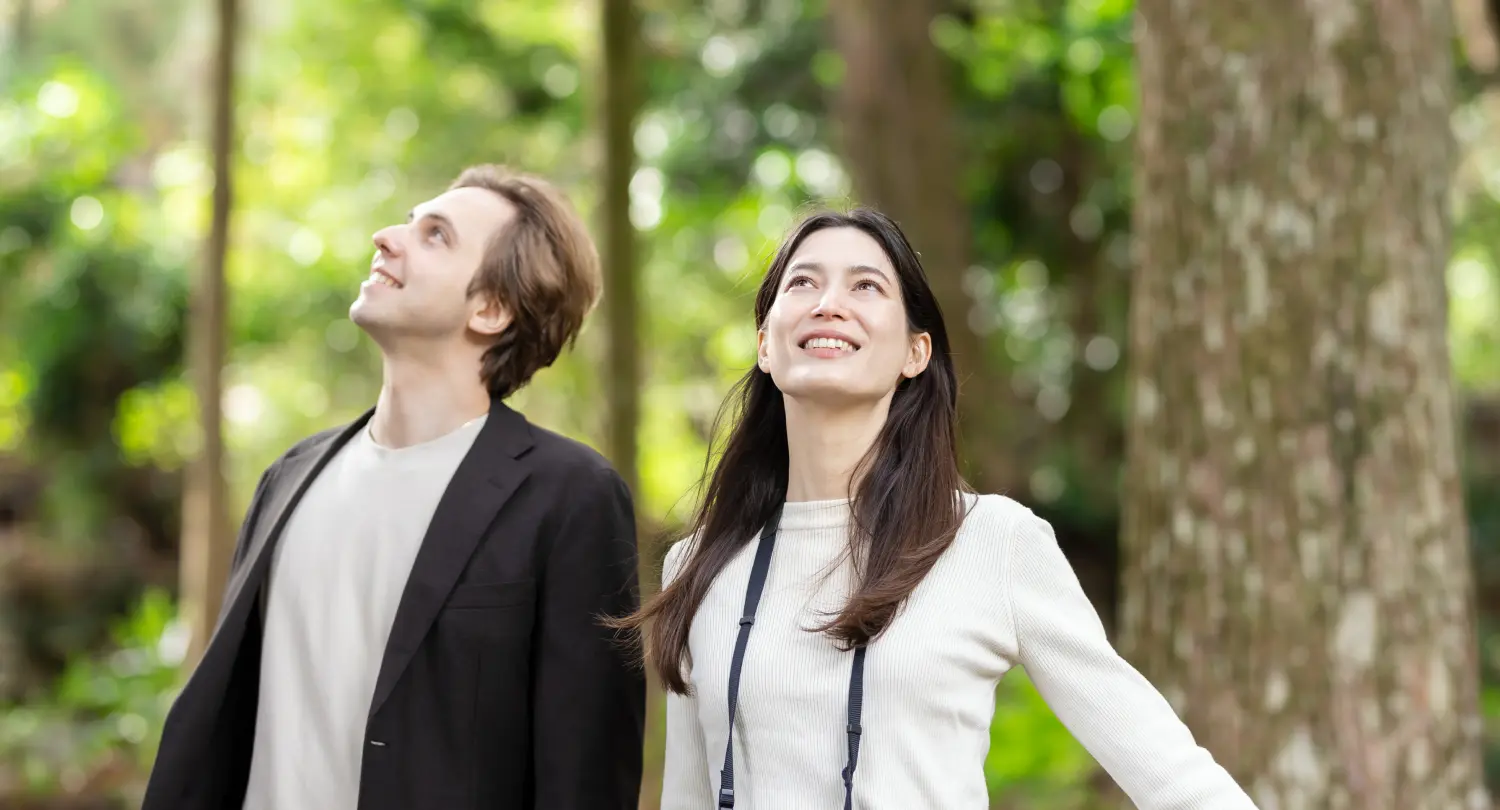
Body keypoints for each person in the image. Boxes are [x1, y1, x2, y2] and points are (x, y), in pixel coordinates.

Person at [616, 208, 1259, 809]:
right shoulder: (697, 564)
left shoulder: (991, 541)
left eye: (865, 287)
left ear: (915, 353)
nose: (829, 304)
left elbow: (1170, 773)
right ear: (765, 343)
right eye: (803, 283)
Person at [142, 165, 646, 810]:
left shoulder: (570, 495)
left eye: (436, 235)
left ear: (491, 309)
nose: (386, 237)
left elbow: (585, 775)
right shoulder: (291, 476)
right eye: (408, 221)